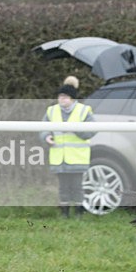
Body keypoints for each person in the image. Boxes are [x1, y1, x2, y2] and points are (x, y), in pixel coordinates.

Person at [40, 76, 96, 218]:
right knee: (63, 187)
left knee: (77, 187)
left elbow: (92, 130)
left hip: (78, 158)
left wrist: (76, 130)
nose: (61, 99)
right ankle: (64, 213)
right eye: (60, 96)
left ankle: (78, 213)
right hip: (59, 158)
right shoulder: (51, 111)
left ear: (72, 98)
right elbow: (42, 128)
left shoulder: (84, 111)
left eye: (65, 97)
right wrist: (46, 137)